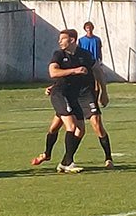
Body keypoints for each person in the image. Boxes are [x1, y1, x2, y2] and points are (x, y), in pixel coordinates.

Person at [44, 29, 105, 173]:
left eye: (62, 39)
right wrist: (74, 70)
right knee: (70, 127)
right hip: (59, 95)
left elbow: (97, 70)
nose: (59, 41)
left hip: (73, 96)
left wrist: (103, 91)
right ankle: (68, 162)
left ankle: (64, 161)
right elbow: (53, 72)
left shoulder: (84, 55)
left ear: (72, 40)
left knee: (80, 129)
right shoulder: (58, 54)